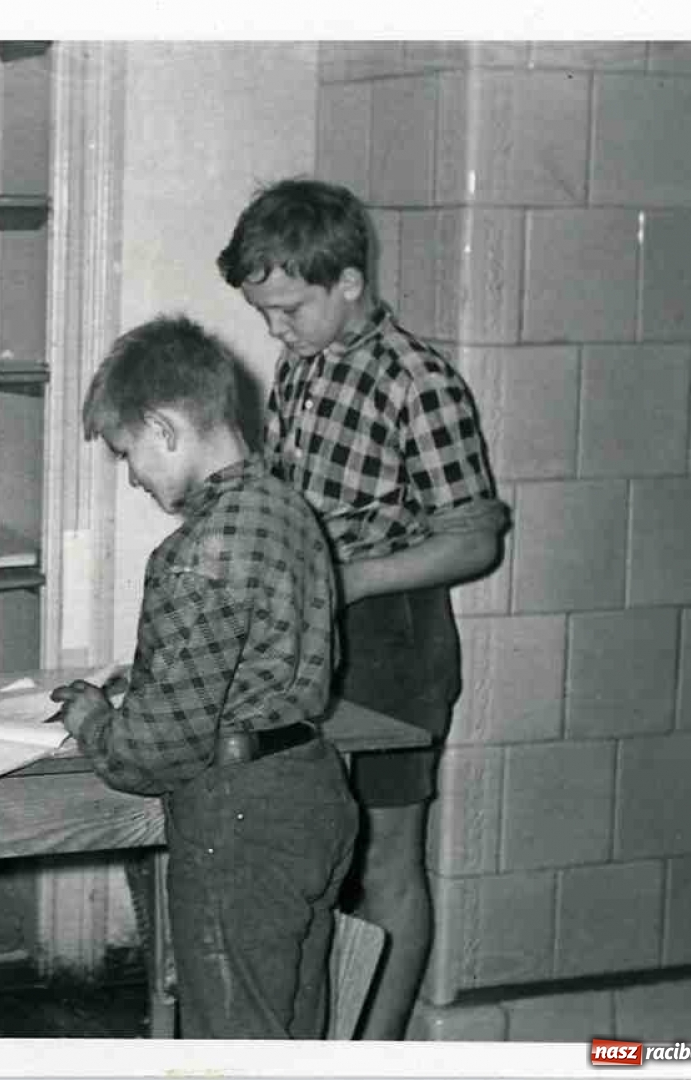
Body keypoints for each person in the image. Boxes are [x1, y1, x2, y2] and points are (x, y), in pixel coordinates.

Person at [217, 177, 510, 1040]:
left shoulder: (419, 381)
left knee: (386, 858)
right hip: (306, 631)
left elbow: (474, 541)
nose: (274, 330)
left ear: (348, 280)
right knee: (311, 848)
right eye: (264, 313)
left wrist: (348, 581)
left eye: (288, 309)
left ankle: (373, 1051)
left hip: (393, 640)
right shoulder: (301, 364)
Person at [50, 314, 358, 1039]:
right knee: (292, 1032)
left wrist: (95, 719)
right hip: (312, 787)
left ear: (163, 427)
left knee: (233, 1042)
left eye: (129, 453)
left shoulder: (194, 553)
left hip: (239, 816)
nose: (131, 477)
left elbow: (150, 753)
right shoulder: (288, 507)